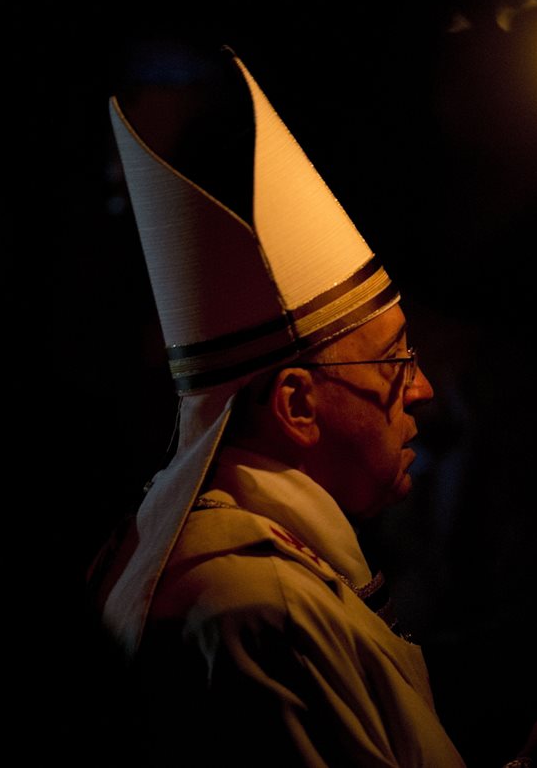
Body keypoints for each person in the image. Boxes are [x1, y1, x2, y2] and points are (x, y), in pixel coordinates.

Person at [89, 47, 475, 766]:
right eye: (395, 360)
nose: (421, 389)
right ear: (296, 402)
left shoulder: (285, 573)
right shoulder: (259, 606)